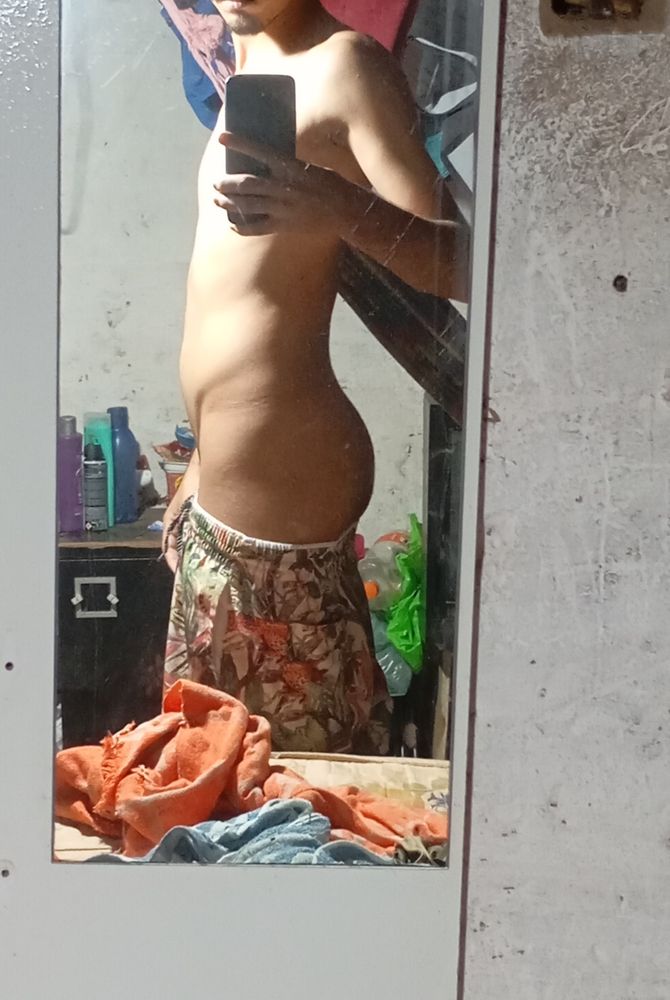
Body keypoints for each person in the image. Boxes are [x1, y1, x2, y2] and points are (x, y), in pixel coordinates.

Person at [162, 0, 469, 755]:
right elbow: (241, 303)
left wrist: (339, 207)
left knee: (292, 784)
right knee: (221, 781)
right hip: (221, 506)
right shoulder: (246, 71)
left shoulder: (346, 66)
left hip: (286, 503)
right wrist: (200, 465)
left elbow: (464, 264)